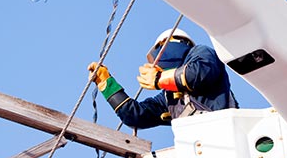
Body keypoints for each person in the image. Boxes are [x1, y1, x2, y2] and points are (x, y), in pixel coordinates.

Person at [88, 28, 238, 129]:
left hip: (225, 133)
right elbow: (135, 115)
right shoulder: (169, 97)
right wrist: (106, 83)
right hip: (198, 148)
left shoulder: (201, 52)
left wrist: (159, 79)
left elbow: (199, 73)